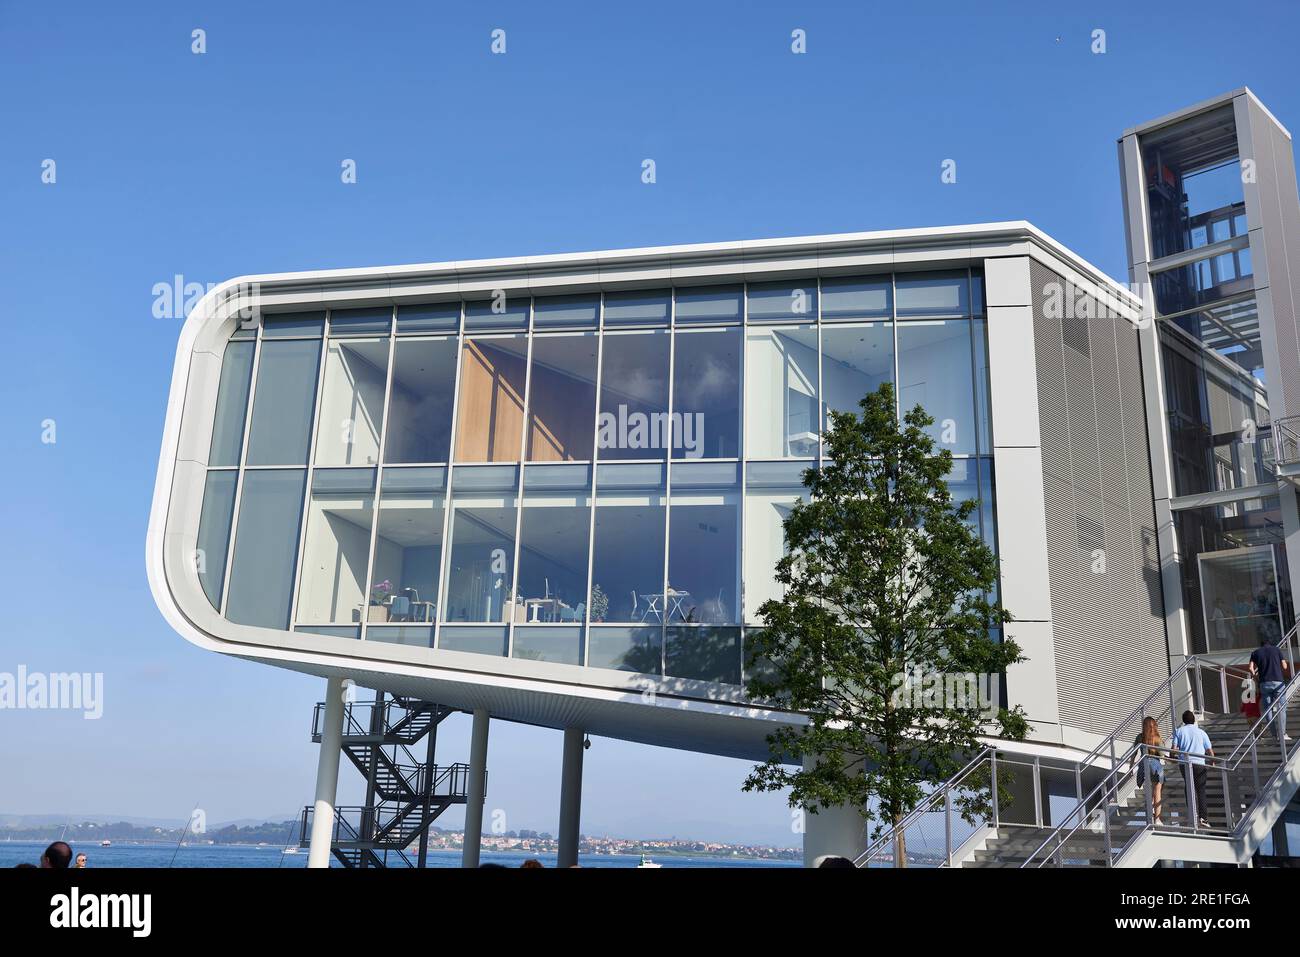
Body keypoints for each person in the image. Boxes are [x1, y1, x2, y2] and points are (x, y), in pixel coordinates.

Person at [1171, 711, 1214, 830]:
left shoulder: (1179, 731)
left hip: (1185, 763)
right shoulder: (1201, 732)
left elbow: (1174, 749)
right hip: (1200, 763)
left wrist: (1172, 756)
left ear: (1183, 721)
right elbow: (1209, 751)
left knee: (1189, 788)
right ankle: (1203, 818)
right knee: (1200, 790)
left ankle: (1192, 814)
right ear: (1194, 720)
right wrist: (1212, 762)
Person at [1248, 635, 1292, 743]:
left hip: (1264, 683)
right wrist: (1280, 666)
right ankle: (1282, 734)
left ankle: (1274, 735)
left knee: (1268, 710)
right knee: (1281, 708)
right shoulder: (1276, 650)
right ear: (1269, 643)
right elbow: (1285, 666)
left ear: (1261, 644)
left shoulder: (1255, 653)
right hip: (1278, 682)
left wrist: (1255, 677)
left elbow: (1250, 668)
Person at [1131, 716, 1165, 824]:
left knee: (1149, 791)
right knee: (1157, 791)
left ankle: (1149, 815)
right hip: (1155, 765)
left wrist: (1130, 767)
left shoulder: (1140, 737)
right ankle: (1157, 818)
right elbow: (1162, 755)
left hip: (1143, 764)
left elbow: (1134, 753)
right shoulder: (1157, 738)